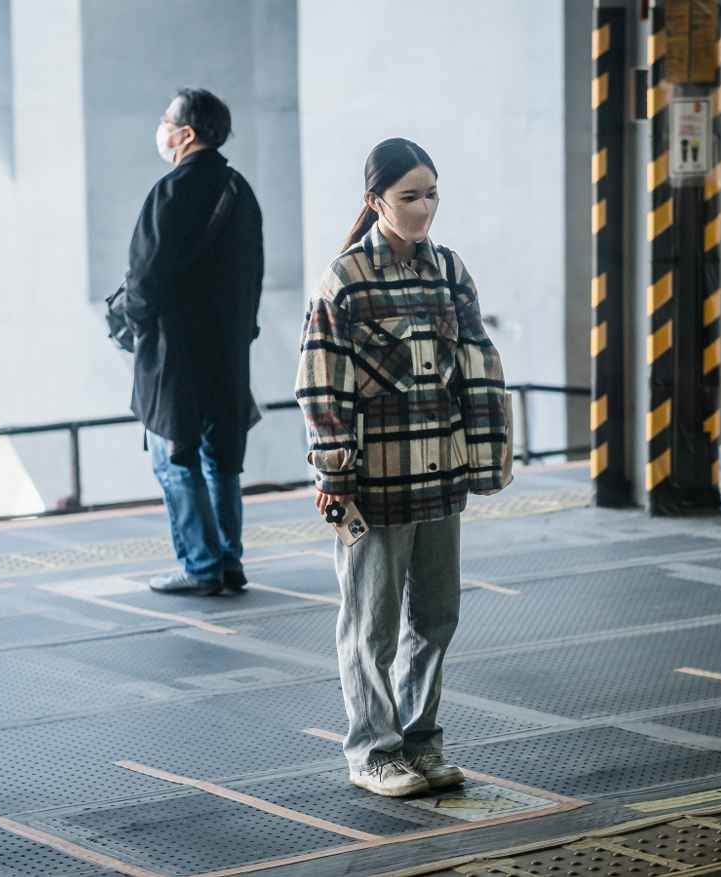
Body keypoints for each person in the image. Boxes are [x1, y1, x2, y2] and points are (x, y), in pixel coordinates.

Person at [294, 138, 512, 797]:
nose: (425, 208)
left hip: (439, 479)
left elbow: (477, 366)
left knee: (435, 617)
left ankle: (421, 742)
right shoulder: (347, 281)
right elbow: (320, 386)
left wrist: (486, 460)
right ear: (375, 202)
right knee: (371, 625)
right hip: (375, 486)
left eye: (433, 195)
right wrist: (334, 475)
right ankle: (372, 750)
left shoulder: (448, 270)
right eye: (410, 197)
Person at [124, 88, 264, 597]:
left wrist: (138, 328)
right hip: (228, 352)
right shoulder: (239, 190)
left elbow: (143, 279)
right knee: (221, 460)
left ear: (185, 134)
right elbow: (254, 274)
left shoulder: (171, 190)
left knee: (173, 458)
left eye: (166, 120)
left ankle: (200, 566)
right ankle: (228, 561)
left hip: (174, 356)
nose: (161, 127)